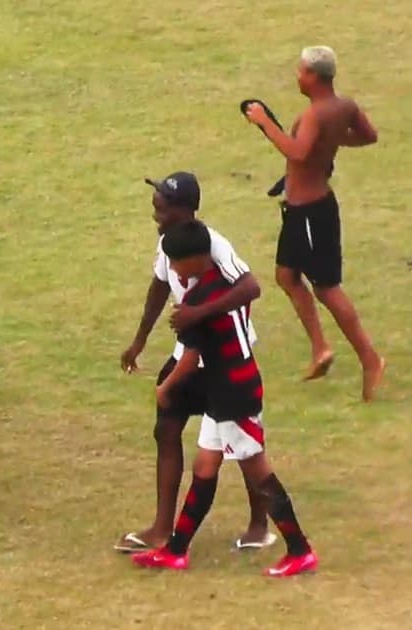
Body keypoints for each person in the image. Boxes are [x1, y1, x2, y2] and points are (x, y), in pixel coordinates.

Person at [131, 220, 318, 578]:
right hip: (232, 386)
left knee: (260, 473)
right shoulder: (226, 285)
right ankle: (176, 550)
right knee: (204, 467)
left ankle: (300, 549)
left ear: (196, 259)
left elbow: (189, 360)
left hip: (233, 395)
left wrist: (166, 387)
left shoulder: (196, 304)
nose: (171, 269)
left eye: (175, 262)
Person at [115, 172, 273, 553]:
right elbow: (158, 286)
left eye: (162, 207)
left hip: (225, 361)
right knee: (166, 429)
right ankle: (161, 529)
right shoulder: (168, 243)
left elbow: (251, 287)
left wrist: (197, 312)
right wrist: (139, 342)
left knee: (245, 448)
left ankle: (260, 525)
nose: (155, 213)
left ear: (184, 211)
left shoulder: (213, 245)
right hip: (189, 353)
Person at [244, 45, 384, 400]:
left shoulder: (314, 116)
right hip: (306, 208)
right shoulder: (344, 107)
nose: (297, 75)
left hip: (310, 212)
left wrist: (264, 123)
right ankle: (320, 348)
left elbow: (298, 152)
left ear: (314, 77)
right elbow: (369, 136)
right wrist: (333, 142)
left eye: (301, 70)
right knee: (286, 275)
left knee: (326, 288)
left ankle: (370, 358)